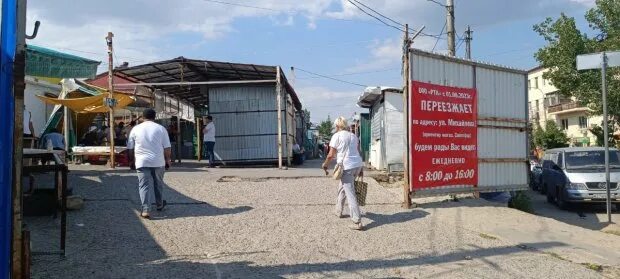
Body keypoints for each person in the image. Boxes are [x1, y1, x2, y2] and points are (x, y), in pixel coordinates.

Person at [127, 109, 172, 219]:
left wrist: (131, 160)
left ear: (142, 117)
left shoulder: (135, 129)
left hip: (142, 162)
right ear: (155, 117)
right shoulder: (161, 129)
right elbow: (167, 147)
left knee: (144, 185)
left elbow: (130, 148)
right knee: (158, 184)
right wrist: (168, 159)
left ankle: (146, 210)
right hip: (158, 162)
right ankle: (159, 205)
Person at [322, 116, 365, 231]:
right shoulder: (353, 136)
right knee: (343, 188)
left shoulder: (336, 136)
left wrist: (325, 164)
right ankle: (338, 210)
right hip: (357, 165)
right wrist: (361, 169)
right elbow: (357, 151)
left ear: (337, 126)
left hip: (347, 167)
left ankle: (357, 221)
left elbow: (331, 155)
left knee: (350, 193)